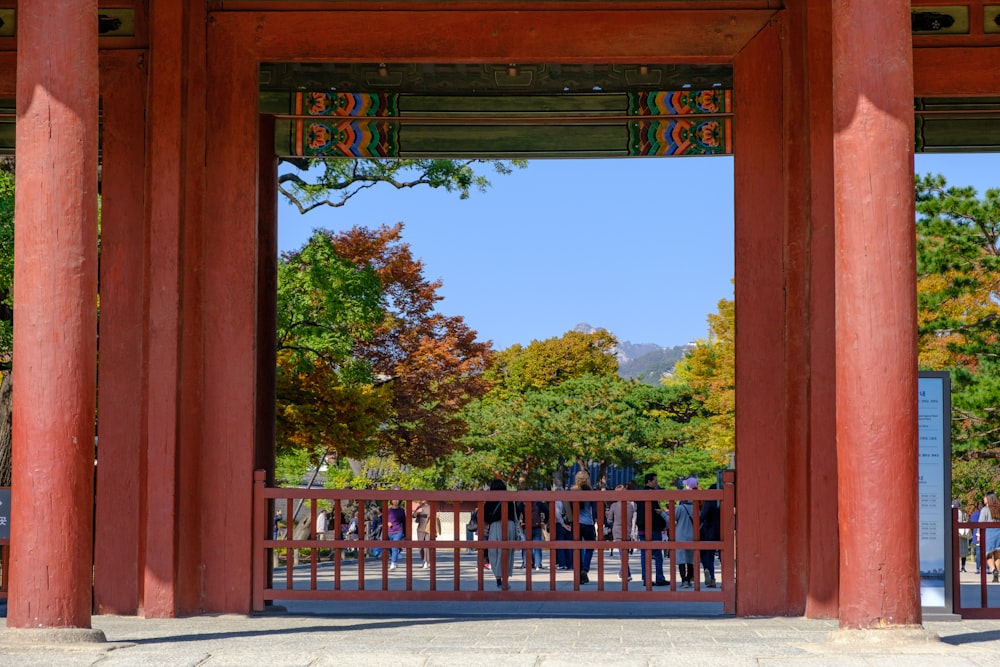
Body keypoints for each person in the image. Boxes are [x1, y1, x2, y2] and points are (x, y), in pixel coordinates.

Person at [484, 478, 520, 588]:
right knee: (508, 553)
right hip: (510, 526)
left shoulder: (490, 500)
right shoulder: (510, 499)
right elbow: (516, 515)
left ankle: (498, 580)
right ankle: (505, 580)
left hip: (495, 526)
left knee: (494, 553)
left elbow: (485, 516)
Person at [635, 472, 668, 586]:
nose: (656, 483)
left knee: (645, 554)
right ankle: (659, 577)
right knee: (658, 553)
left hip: (641, 526)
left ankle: (646, 578)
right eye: (655, 481)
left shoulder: (639, 495)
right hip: (653, 527)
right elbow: (656, 512)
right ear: (649, 481)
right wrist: (662, 523)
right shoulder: (652, 495)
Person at [570, 470, 600, 585]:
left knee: (577, 548)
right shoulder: (590, 492)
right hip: (588, 522)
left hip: (576, 523)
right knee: (590, 546)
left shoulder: (572, 491)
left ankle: (578, 572)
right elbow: (595, 510)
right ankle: (585, 569)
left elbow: (568, 507)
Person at [606, 484, 635, 580]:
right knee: (625, 553)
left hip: (617, 531)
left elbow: (609, 520)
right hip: (628, 530)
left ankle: (625, 573)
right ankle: (626, 573)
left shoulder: (614, 505)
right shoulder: (631, 506)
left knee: (622, 553)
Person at [674, 477, 697, 587]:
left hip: (681, 535)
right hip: (693, 535)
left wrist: (662, 514)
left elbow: (671, 519)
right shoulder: (696, 508)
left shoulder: (680, 508)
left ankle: (684, 580)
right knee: (690, 559)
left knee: (681, 559)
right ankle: (689, 578)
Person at [699, 483, 721, 587]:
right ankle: (726, 579)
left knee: (709, 556)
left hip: (710, 531)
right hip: (723, 530)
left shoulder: (710, 502)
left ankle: (712, 578)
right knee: (723, 557)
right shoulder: (724, 501)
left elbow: (702, 516)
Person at [979, 492, 1000, 583]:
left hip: (989, 533)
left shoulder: (985, 509)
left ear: (989, 498)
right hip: (999, 532)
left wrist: (979, 535)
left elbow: (981, 523)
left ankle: (993, 569)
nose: (984, 499)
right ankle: (997, 573)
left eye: (985, 497)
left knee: (987, 554)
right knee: (997, 555)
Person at [413, 500, 439, 569]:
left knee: (427, 546)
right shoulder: (419, 507)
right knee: (420, 546)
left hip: (429, 529)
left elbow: (436, 517)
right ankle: (423, 560)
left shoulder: (432, 507)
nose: (422, 500)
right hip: (420, 529)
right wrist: (417, 512)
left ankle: (426, 561)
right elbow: (413, 516)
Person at [386, 499, 406, 571]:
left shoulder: (401, 510)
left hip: (398, 531)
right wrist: (387, 523)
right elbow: (383, 520)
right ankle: (394, 559)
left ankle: (393, 563)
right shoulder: (388, 510)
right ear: (391, 501)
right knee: (390, 548)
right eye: (394, 500)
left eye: (397, 500)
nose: (396, 501)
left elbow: (404, 522)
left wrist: (405, 534)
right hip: (389, 531)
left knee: (394, 547)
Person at [528, 500, 548, 571]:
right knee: (537, 546)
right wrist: (544, 522)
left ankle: (528, 563)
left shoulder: (524, 502)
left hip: (527, 526)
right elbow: (547, 511)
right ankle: (538, 564)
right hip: (537, 526)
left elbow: (518, 510)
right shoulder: (539, 503)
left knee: (528, 547)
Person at [954, 500, 971, 573]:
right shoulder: (964, 513)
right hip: (963, 534)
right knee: (963, 552)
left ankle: (955, 567)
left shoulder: (954, 513)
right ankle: (963, 567)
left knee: (955, 551)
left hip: (956, 533)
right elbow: (967, 521)